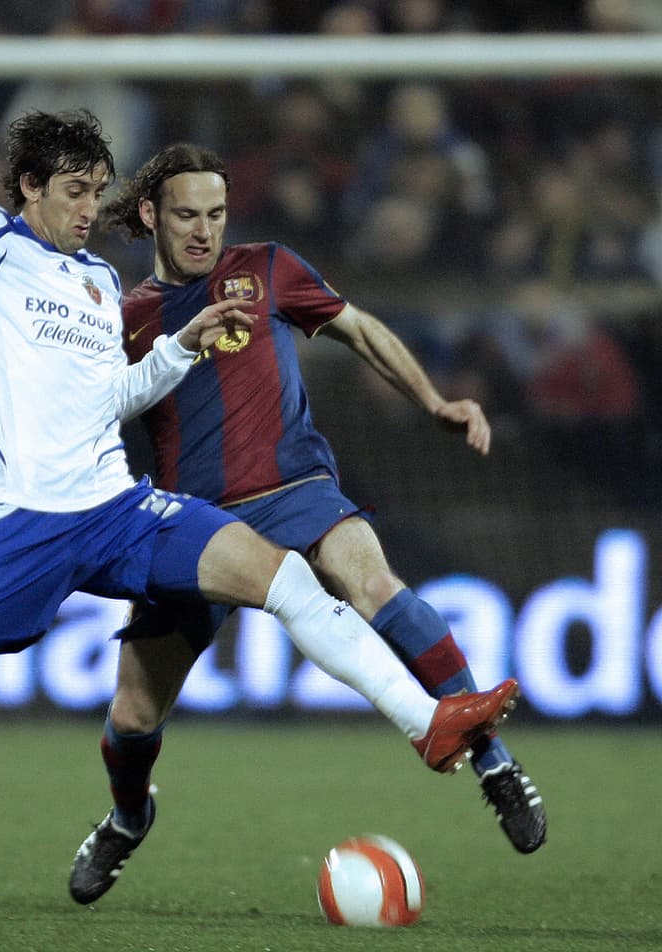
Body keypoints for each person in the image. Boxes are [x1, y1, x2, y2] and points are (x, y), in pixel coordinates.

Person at [0, 20, 520, 914]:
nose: (86, 209)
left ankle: (428, 726)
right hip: (19, 521)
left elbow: (114, 399)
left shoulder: (100, 282)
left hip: (116, 507)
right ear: (28, 186)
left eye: (97, 191)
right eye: (71, 192)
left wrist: (181, 347)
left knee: (286, 577)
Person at [66, 143, 547, 907]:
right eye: (187, 215)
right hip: (195, 523)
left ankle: (491, 762)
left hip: (297, 487)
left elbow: (363, 330)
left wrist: (434, 403)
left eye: (217, 214)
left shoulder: (269, 269)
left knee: (372, 581)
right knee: (133, 713)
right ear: (152, 215)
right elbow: (86, 421)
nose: (204, 231)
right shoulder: (124, 317)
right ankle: (128, 819)